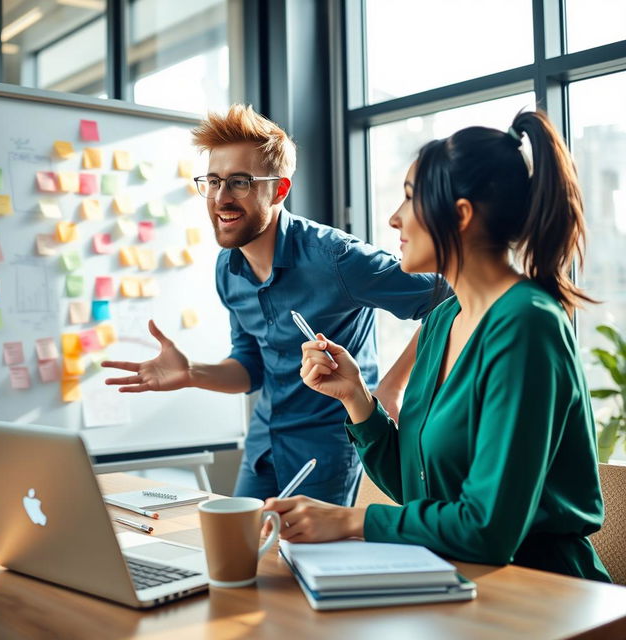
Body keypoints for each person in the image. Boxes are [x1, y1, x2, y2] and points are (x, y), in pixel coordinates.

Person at [266, 110, 611, 582]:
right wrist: (356, 398)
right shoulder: (443, 319)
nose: (394, 217)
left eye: (410, 198)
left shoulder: (527, 324)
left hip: (542, 593)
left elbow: (487, 528)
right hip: (453, 580)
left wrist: (350, 519)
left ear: (461, 216)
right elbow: (419, 490)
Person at [103, 104, 442, 506]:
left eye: (239, 183)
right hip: (264, 443)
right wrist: (192, 372)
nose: (220, 198)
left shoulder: (336, 258)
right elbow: (251, 368)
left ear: (279, 189)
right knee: (242, 554)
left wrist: (391, 386)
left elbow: (449, 298)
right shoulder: (228, 268)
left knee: (304, 564)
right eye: (213, 181)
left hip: (327, 449)